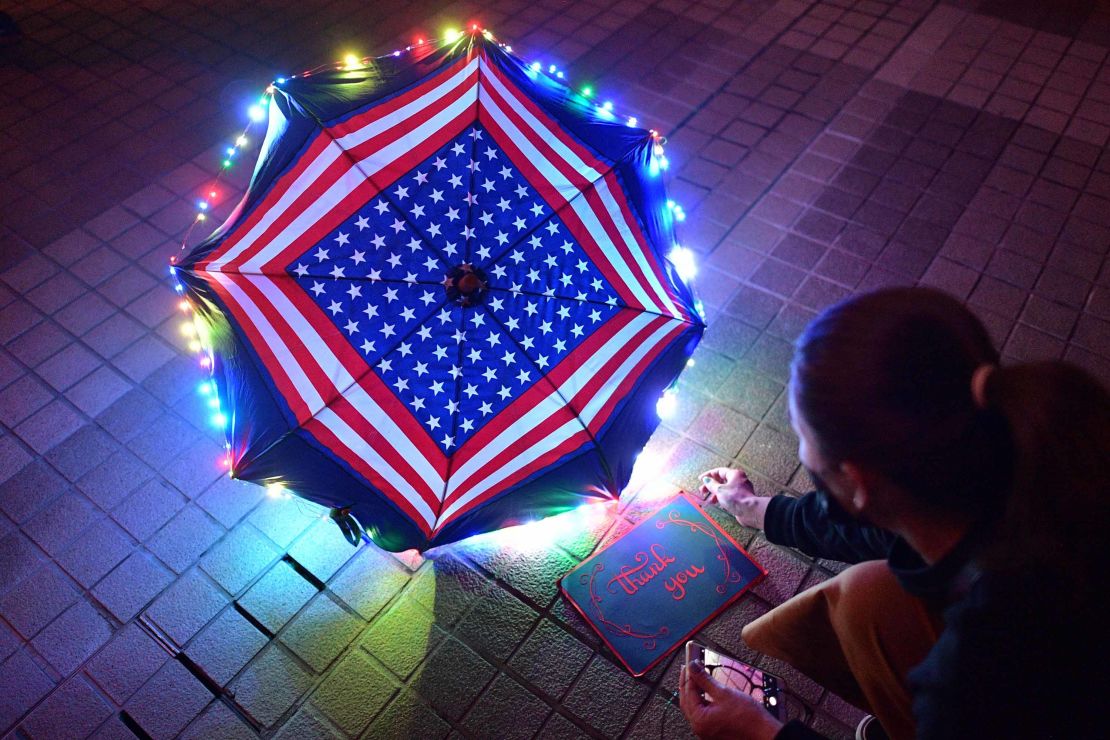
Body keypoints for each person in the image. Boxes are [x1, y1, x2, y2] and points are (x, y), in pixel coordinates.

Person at [678, 287, 1109, 740]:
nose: (802, 451)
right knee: (864, 594)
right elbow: (883, 528)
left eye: (803, 439)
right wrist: (755, 510)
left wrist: (764, 733)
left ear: (858, 482)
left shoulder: (973, 681)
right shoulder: (1025, 466)